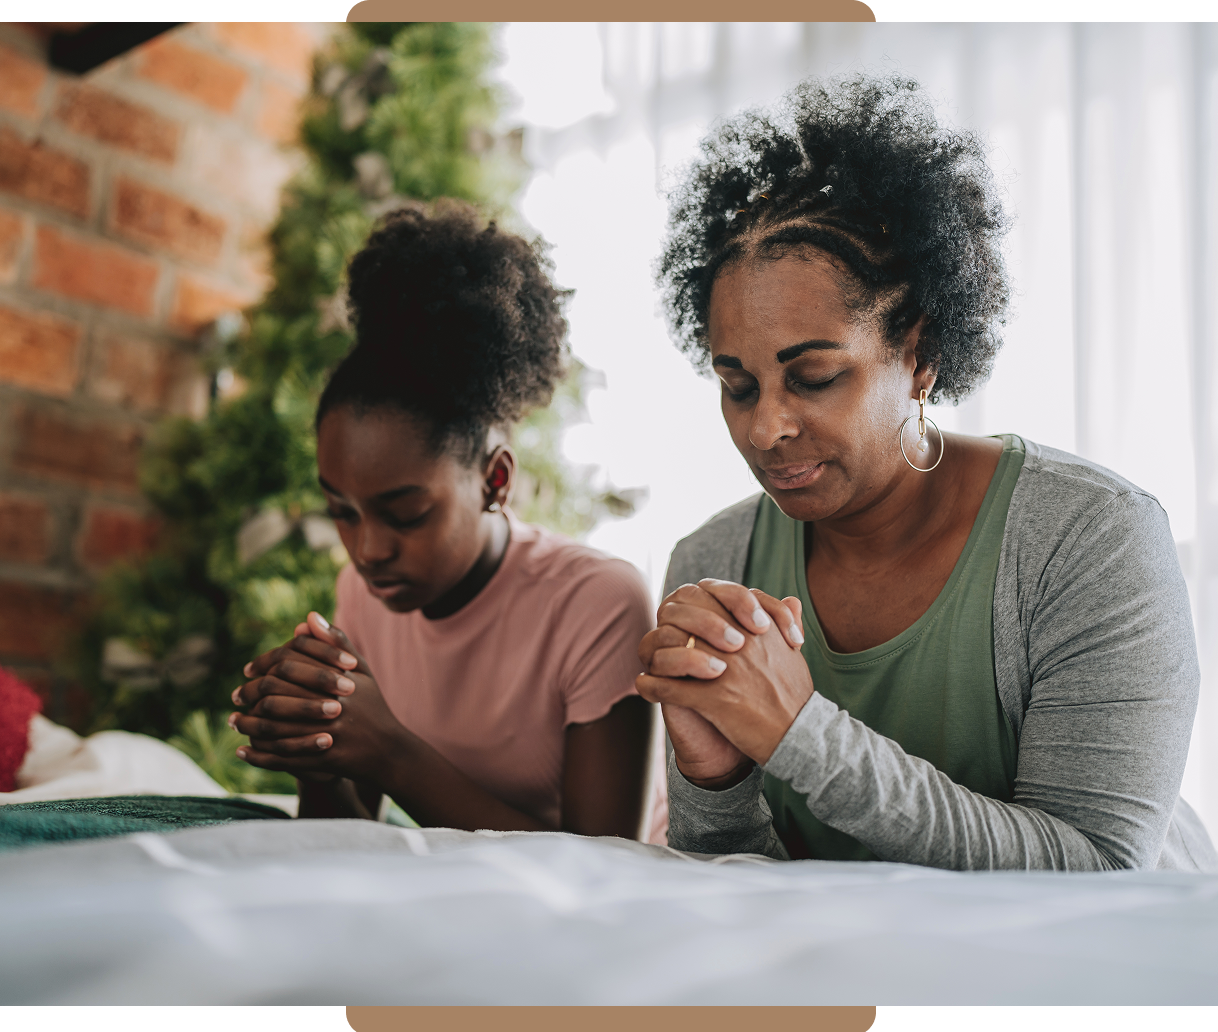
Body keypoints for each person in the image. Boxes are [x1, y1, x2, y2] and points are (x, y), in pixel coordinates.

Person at [636, 73, 1217, 870]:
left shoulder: (1091, 537)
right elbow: (740, 890)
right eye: (737, 386)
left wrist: (798, 732)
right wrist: (718, 780)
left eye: (813, 378)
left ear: (921, 355)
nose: (765, 427)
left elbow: (1099, 870)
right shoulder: (713, 565)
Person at [229, 202, 665, 842]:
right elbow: (350, 841)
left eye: (405, 514)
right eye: (340, 512)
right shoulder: (364, 595)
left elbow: (607, 863)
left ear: (495, 480)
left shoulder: (595, 603)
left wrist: (394, 756)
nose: (368, 550)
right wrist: (318, 752)